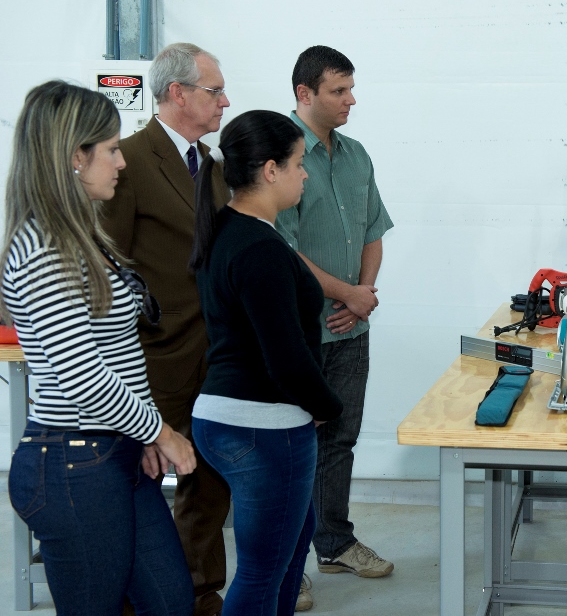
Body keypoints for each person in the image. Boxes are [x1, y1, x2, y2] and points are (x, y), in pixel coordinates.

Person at [2, 80, 197, 615]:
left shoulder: (80, 237)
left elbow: (122, 359)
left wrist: (145, 434)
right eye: (111, 149)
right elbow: (83, 377)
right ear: (73, 157)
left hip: (113, 453)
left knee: (171, 601)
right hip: (72, 465)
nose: (121, 161)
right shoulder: (44, 247)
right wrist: (163, 432)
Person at [189, 110, 344, 615]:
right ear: (271, 169)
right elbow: (285, 356)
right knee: (260, 572)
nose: (306, 174)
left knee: (286, 555)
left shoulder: (230, 230)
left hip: (229, 418)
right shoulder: (259, 247)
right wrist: (327, 405)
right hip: (263, 426)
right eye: (299, 164)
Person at [102, 42, 232, 616]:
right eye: (214, 91)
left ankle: (200, 590)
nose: (225, 101)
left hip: (219, 355)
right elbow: (106, 266)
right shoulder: (127, 161)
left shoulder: (217, 168)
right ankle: (131, 597)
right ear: (178, 93)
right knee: (139, 484)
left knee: (211, 482)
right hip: (152, 359)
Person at [276, 45, 394, 584]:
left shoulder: (357, 155)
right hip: (298, 332)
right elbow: (282, 249)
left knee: (340, 440)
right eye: (338, 91)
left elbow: (373, 230)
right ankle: (285, 565)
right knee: (289, 448)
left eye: (351, 88)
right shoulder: (277, 159)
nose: (351, 100)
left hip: (351, 327)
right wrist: (346, 292)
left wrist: (361, 292)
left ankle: (334, 542)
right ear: (305, 94)